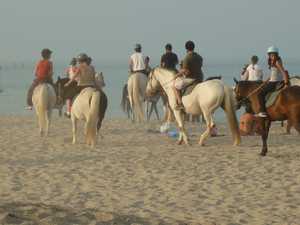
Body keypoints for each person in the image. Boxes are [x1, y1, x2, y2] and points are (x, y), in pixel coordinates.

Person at [256, 46, 289, 117]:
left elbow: (283, 72)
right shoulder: (273, 62)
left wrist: (286, 83)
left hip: (275, 83)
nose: (272, 56)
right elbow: (273, 74)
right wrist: (266, 81)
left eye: (273, 55)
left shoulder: (277, 62)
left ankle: (263, 112)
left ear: (276, 54)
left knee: (260, 94)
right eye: (270, 55)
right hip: (272, 81)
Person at [64, 53, 98, 118]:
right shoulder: (92, 67)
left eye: (78, 61)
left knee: (68, 96)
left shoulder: (79, 67)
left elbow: (74, 77)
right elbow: (93, 79)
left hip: (81, 86)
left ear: (79, 61)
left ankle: (69, 111)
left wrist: (68, 83)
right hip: (91, 86)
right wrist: (97, 87)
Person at [173, 41, 204, 110]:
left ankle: (180, 103)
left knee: (175, 86)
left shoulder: (187, 58)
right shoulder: (199, 57)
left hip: (192, 79)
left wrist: (176, 75)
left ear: (186, 48)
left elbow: (184, 70)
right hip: (200, 77)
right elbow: (200, 66)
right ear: (193, 47)